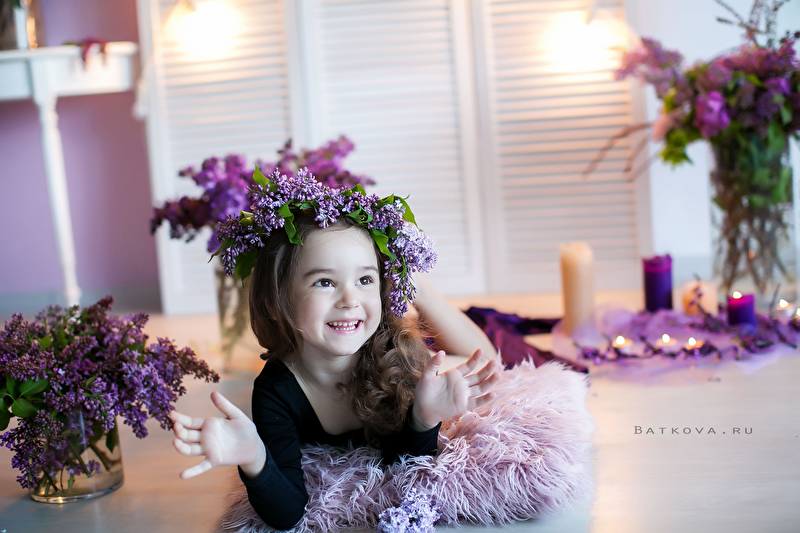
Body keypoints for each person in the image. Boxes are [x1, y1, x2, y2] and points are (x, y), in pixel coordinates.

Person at [168, 169, 500, 530]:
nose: (349, 300)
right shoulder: (277, 391)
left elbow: (406, 462)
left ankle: (413, 287)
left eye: (365, 279)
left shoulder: (396, 352)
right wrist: (254, 459)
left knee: (478, 363)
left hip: (397, 333)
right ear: (278, 299)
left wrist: (423, 419)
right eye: (324, 282)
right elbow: (287, 514)